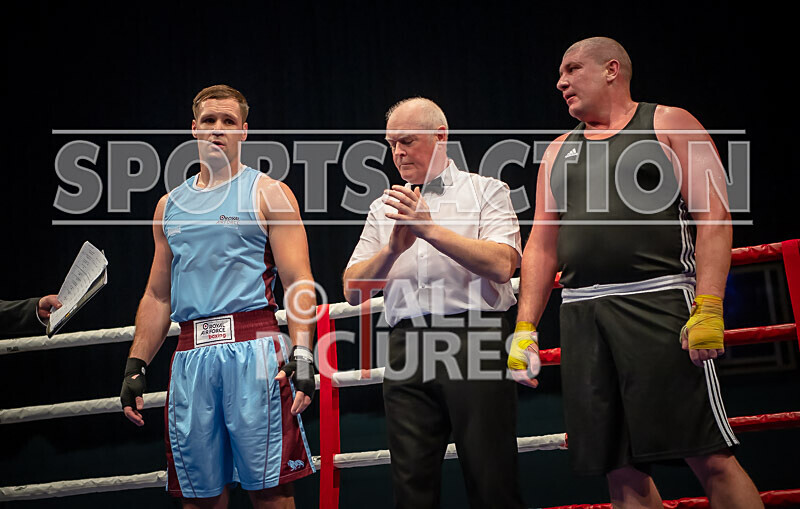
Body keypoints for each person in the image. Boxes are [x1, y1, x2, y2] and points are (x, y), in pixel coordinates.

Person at [510, 37, 763, 508]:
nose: (560, 82)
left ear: (611, 70)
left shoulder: (667, 122)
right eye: (559, 74)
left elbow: (714, 216)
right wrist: (525, 329)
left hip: (659, 304)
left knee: (708, 455)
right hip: (582, 314)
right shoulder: (559, 150)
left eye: (572, 69)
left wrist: (709, 304)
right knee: (618, 466)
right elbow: (541, 246)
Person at [120, 84, 317, 509]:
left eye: (228, 121)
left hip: (255, 352)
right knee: (199, 498)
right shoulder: (168, 206)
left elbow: (298, 281)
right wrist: (136, 363)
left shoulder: (268, 193)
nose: (217, 129)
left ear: (244, 132)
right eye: (209, 121)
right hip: (191, 358)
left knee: (272, 493)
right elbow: (157, 295)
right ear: (193, 129)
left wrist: (303, 353)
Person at [343, 97, 524, 509]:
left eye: (407, 141)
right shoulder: (382, 208)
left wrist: (429, 229)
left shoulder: (486, 190)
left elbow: (502, 265)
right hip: (406, 344)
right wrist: (391, 249)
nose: (398, 153)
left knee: (491, 474)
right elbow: (352, 290)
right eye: (391, 144)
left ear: (440, 136)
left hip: (474, 336)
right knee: (411, 483)